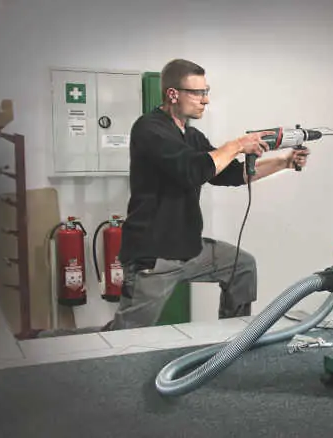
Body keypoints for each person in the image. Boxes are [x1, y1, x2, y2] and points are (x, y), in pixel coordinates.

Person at [106, 59, 310, 330]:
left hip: (189, 250)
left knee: (241, 266)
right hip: (155, 257)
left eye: (206, 91)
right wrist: (238, 144)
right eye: (198, 92)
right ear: (173, 94)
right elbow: (192, 170)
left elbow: (229, 174)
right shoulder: (149, 129)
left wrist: (284, 162)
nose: (206, 100)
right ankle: (68, 340)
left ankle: (233, 342)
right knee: (124, 338)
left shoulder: (192, 136)